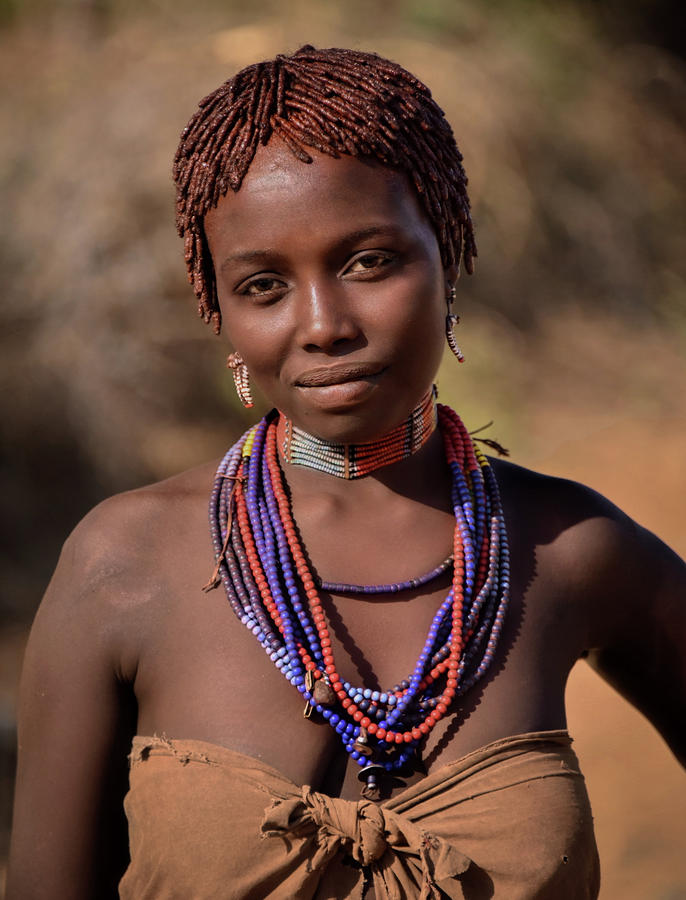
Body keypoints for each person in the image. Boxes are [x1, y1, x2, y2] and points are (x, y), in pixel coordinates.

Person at [7, 45, 685, 900]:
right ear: (219, 311)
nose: (324, 325)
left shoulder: (572, 551)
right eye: (263, 285)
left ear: (450, 253)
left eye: (370, 262)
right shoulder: (124, 566)